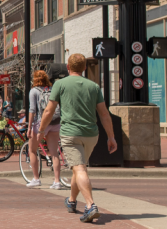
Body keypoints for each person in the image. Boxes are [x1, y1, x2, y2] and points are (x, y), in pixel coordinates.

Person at [37, 53, 117, 224]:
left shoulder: (60, 84)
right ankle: (72, 201)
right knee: (78, 167)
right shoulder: (94, 86)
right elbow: (104, 114)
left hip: (70, 133)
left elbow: (49, 111)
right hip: (91, 135)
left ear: (68, 67)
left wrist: (41, 130)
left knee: (79, 169)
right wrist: (111, 137)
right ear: (84, 68)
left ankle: (91, 205)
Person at [27, 70, 63, 189]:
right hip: (55, 122)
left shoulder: (34, 91)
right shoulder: (52, 89)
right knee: (54, 152)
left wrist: (29, 127)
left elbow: (32, 110)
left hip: (40, 124)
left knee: (32, 150)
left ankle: (36, 178)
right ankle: (57, 181)